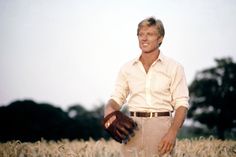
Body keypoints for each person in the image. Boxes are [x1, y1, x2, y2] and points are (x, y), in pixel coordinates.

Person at [104, 16, 189, 157]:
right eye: (141, 34)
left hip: (161, 128)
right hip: (131, 130)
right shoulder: (127, 68)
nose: (144, 38)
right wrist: (108, 110)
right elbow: (116, 98)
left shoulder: (174, 67)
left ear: (160, 38)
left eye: (149, 34)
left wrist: (172, 133)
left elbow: (182, 103)